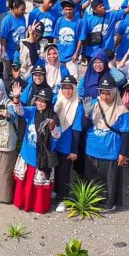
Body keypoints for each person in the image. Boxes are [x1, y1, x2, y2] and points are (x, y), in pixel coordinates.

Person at [83, 76, 129, 212]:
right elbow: (84, 126)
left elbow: (126, 133)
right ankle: (92, 200)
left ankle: (108, 204)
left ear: (115, 92)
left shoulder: (121, 110)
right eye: (102, 92)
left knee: (109, 179)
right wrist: (86, 115)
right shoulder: (93, 104)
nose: (105, 96)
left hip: (111, 149)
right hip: (92, 147)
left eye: (108, 92)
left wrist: (123, 153)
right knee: (92, 176)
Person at [13, 86, 60, 213]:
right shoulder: (32, 111)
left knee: (39, 187)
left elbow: (57, 136)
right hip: (28, 154)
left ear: (49, 103)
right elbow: (20, 112)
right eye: (38, 100)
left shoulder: (53, 117)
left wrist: (52, 126)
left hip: (42, 158)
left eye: (43, 101)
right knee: (25, 184)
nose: (40, 103)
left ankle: (38, 207)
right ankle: (23, 203)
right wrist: (16, 98)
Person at [53, 76, 83, 212]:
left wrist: (74, 150)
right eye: (64, 87)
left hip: (67, 143)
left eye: (70, 87)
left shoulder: (78, 105)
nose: (67, 91)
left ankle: (63, 198)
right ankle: (53, 191)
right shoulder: (56, 99)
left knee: (64, 172)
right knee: (52, 168)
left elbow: (76, 129)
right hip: (53, 142)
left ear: (74, 89)